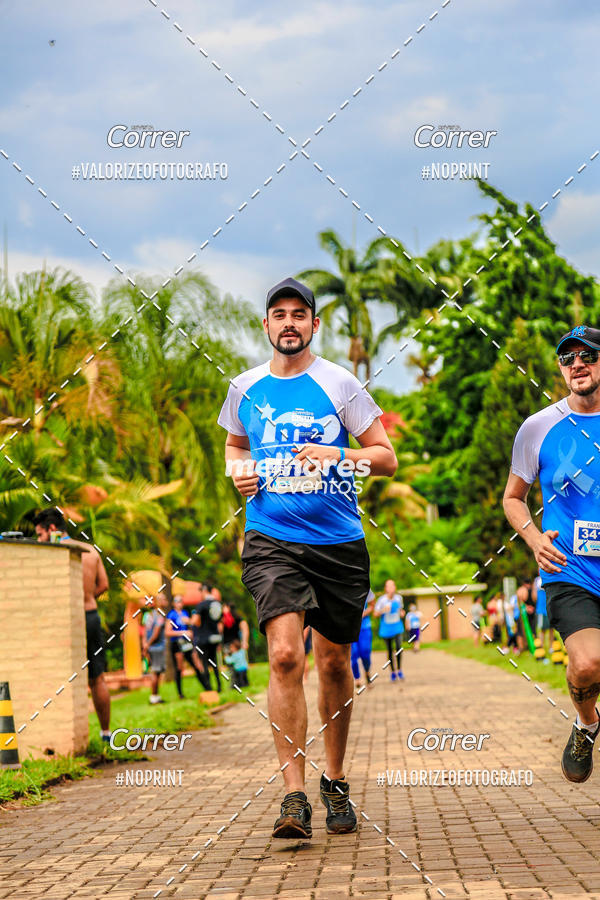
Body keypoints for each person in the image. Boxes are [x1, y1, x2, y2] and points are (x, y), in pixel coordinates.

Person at [218, 276, 397, 839]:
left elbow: (385, 459)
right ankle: (293, 795)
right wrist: (238, 473)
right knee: (286, 656)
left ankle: (335, 780)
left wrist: (336, 456)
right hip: (271, 539)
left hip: (339, 544)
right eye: (279, 314)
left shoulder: (339, 383)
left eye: (300, 314)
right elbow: (233, 445)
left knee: (335, 664)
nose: (289, 323)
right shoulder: (244, 388)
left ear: (315, 325)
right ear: (266, 325)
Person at [503, 324, 600, 784]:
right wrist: (534, 537)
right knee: (585, 663)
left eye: (589, 355)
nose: (577, 364)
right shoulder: (538, 427)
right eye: (568, 358)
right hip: (570, 568)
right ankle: (586, 724)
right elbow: (512, 497)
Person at [34, 508, 112, 741]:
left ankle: (62, 733)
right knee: (97, 676)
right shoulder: (90, 550)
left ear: (51, 529)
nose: (39, 540)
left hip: (67, 619)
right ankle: (106, 733)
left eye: (40, 534)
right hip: (90, 616)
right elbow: (104, 585)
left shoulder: (51, 553)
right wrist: (86, 598)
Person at [165, 595, 206, 697]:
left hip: (186, 643)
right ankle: (180, 693)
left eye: (180, 601)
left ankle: (207, 687)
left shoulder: (184, 613)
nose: (179, 603)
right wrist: (182, 633)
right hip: (177, 644)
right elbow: (167, 632)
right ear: (173, 603)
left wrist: (190, 630)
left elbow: (192, 625)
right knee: (179, 668)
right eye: (177, 601)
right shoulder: (171, 615)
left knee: (195, 664)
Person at [191, 586, 223, 692]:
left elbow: (195, 621)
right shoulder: (218, 604)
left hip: (204, 638)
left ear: (204, 591)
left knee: (204, 663)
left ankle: (209, 688)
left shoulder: (201, 605)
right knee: (214, 663)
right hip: (215, 637)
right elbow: (220, 623)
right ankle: (219, 686)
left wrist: (188, 621)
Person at [374, 580, 405, 681]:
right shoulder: (381, 600)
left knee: (399, 648)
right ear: (386, 588)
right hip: (386, 629)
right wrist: (383, 610)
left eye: (393, 586)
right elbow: (375, 614)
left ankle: (399, 670)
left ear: (395, 587)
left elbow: (401, 610)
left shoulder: (398, 598)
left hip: (397, 627)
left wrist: (402, 613)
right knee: (390, 651)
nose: (391, 589)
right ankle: (392, 672)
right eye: (389, 586)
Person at [142, 592, 168, 704]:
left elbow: (145, 631)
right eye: (163, 599)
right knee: (156, 673)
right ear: (159, 602)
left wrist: (145, 644)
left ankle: (156, 696)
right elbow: (156, 632)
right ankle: (154, 697)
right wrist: (149, 644)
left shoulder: (148, 615)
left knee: (155, 671)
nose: (166, 601)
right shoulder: (160, 616)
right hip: (157, 647)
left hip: (150, 647)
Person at [351, 589, 375, 687]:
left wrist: (363, 613)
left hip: (364, 626)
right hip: (350, 628)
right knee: (354, 654)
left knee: (365, 652)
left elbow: (372, 605)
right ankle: (357, 678)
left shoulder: (365, 587)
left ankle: (367, 672)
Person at [533, 573, 551, 653]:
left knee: (551, 629)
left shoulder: (549, 576)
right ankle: (542, 648)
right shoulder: (537, 580)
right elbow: (534, 596)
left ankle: (551, 648)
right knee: (543, 629)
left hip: (549, 607)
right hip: (541, 609)